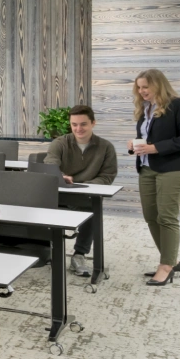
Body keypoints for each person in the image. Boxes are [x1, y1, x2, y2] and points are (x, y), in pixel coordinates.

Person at [127, 70, 180, 286]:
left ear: (159, 85)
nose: (141, 91)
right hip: (147, 167)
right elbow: (148, 138)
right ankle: (172, 261)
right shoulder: (145, 109)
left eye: (146, 87)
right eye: (139, 87)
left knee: (167, 217)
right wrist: (134, 145)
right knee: (151, 216)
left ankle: (166, 266)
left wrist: (155, 148)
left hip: (175, 167)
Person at [42, 104, 117, 278]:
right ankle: (45, 249)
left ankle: (79, 254)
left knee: (93, 207)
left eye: (83, 124)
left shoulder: (106, 147)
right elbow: (50, 164)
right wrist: (61, 177)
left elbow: (107, 176)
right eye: (74, 124)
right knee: (35, 201)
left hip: (85, 194)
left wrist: (83, 186)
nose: (78, 129)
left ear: (93, 123)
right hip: (60, 193)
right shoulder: (60, 143)